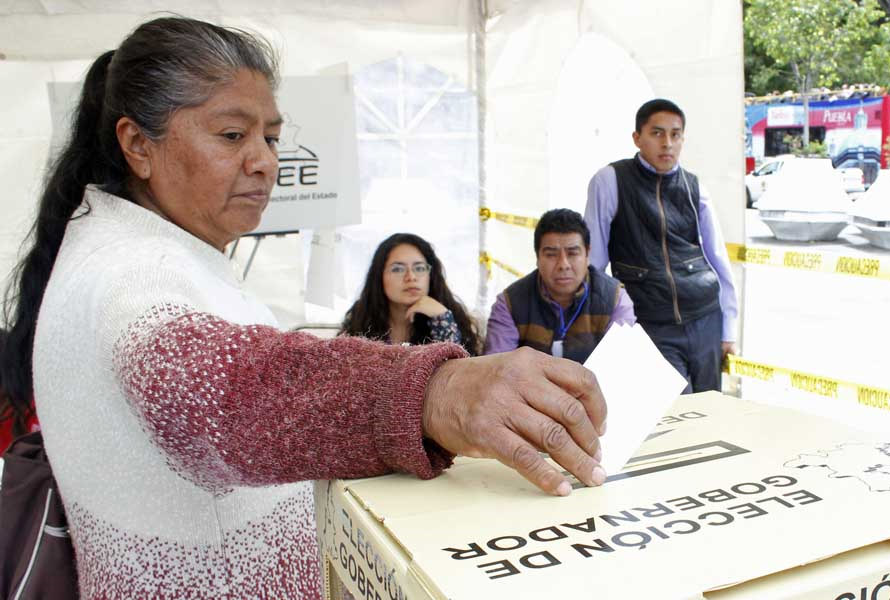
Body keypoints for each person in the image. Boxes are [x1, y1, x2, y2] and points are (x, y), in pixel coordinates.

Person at [0, 17, 609, 599]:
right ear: (138, 144)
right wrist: (437, 391)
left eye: (270, 137)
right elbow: (225, 391)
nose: (264, 160)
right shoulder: (132, 270)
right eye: (232, 135)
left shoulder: (139, 242)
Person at [585, 98, 738, 393]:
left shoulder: (695, 188)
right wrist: (603, 329)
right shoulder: (610, 181)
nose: (667, 143)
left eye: (675, 134)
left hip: (705, 318)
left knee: (710, 408)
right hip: (650, 324)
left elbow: (718, 260)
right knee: (672, 413)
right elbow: (594, 265)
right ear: (637, 138)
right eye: (657, 133)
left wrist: (728, 329)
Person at [484, 208, 636, 363]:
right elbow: (497, 368)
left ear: (587, 255)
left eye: (572, 253)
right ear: (537, 258)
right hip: (530, 387)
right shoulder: (509, 304)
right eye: (551, 254)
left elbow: (622, 363)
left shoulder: (615, 299)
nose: (563, 265)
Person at [340, 233, 481, 355]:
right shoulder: (361, 321)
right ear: (379, 277)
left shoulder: (449, 316)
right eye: (397, 269)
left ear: (430, 276)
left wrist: (442, 320)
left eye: (419, 268)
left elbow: (456, 376)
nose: (411, 276)